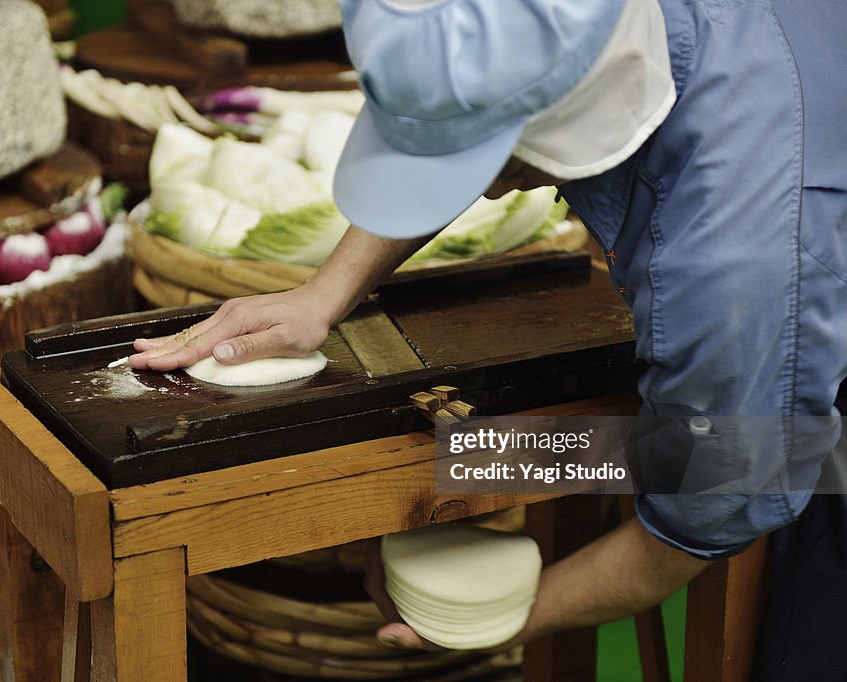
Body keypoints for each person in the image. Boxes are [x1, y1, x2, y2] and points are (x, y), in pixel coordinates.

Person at [128, 0, 847, 677]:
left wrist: (499, 613)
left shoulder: (734, 264)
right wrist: (326, 293)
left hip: (796, 360)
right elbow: (474, 106)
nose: (494, 191)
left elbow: (703, 514)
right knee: (532, 455)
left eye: (491, 165)